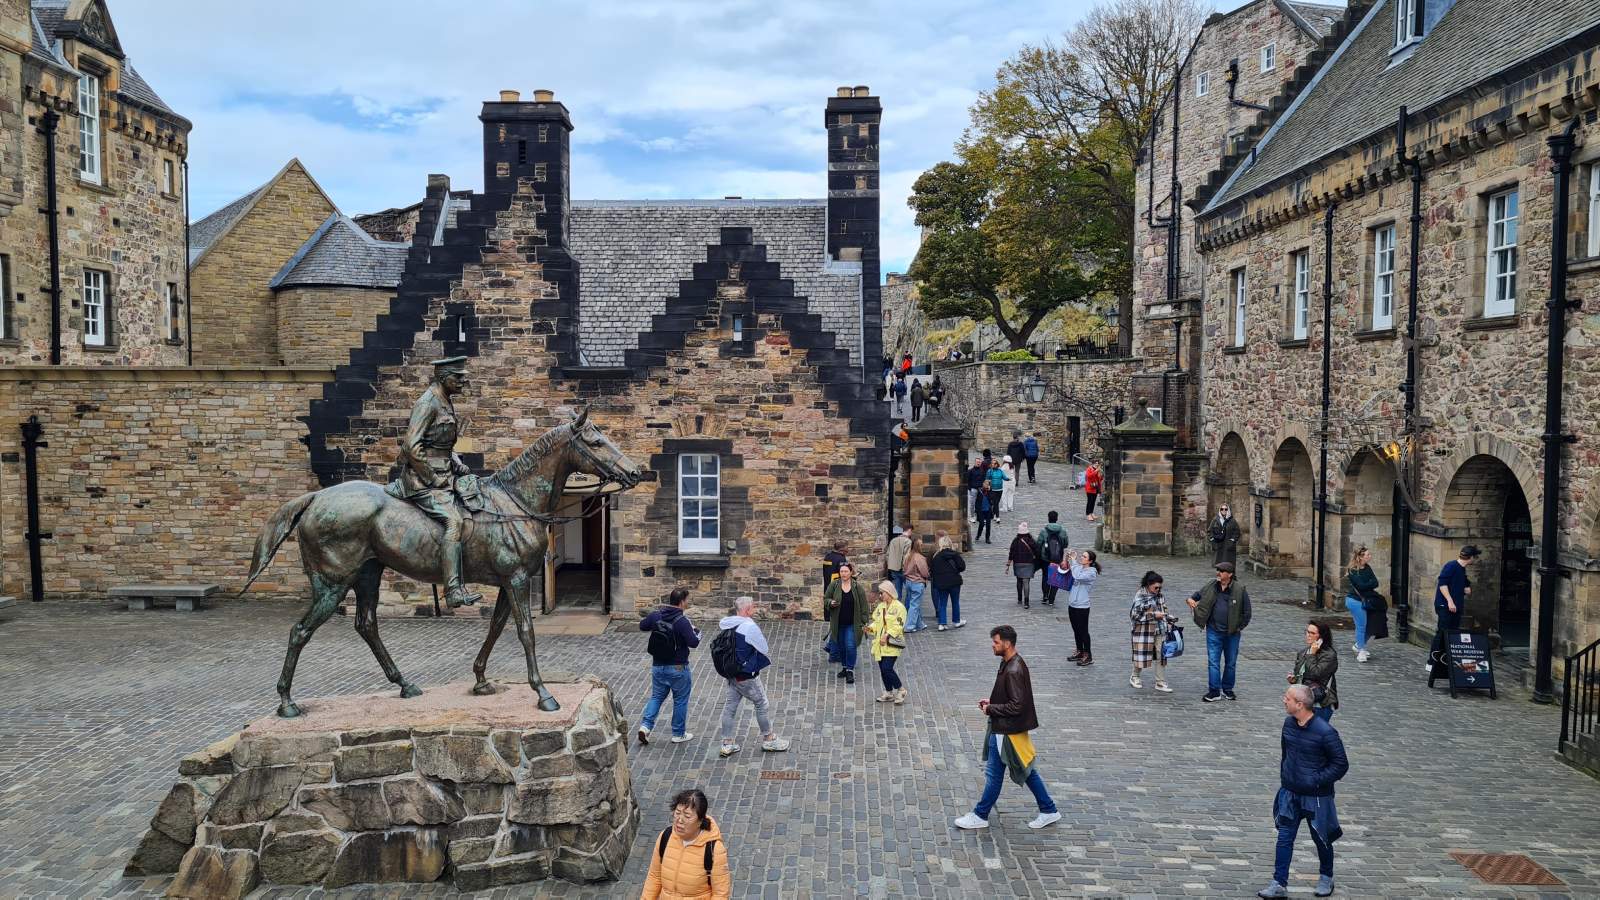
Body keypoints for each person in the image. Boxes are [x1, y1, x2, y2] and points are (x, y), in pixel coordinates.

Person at [954, 626, 1062, 831]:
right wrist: (992, 701)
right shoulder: (1010, 663)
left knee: (996, 775)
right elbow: (1013, 699)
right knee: (1026, 769)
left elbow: (1016, 705)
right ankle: (1048, 809)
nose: (993, 646)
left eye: (996, 642)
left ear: (1007, 643)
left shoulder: (1013, 669)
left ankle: (980, 814)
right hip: (1006, 729)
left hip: (1006, 730)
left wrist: (991, 708)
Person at [396, 356, 483, 609]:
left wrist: (455, 461)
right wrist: (432, 478)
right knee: (454, 522)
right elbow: (412, 445)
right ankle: (453, 590)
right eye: (459, 377)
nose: (464, 382)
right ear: (445, 378)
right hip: (423, 481)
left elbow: (439, 443)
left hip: (445, 474)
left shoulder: (445, 400)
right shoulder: (428, 403)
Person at [1257, 685, 1347, 898]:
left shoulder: (1325, 732)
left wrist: (1315, 780)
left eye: (1287, 698)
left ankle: (1326, 876)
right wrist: (1286, 778)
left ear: (1300, 704)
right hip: (1290, 793)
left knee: (1321, 838)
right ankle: (1279, 883)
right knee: (1284, 838)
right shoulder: (1288, 724)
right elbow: (1285, 754)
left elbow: (1340, 764)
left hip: (1316, 797)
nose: (1283, 700)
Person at [716, 597, 790, 757]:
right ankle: (769, 739)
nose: (755, 609)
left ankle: (727, 743)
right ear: (748, 609)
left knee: (730, 707)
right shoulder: (749, 626)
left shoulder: (728, 623)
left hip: (732, 674)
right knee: (761, 703)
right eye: (753, 607)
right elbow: (763, 648)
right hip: (746, 675)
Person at [637, 587, 702, 746]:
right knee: (680, 700)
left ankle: (645, 727)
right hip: (678, 667)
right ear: (681, 602)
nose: (687, 603)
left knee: (656, 697)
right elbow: (693, 643)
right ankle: (678, 734)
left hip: (658, 666)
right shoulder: (682, 622)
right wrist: (698, 632)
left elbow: (642, 626)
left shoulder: (656, 615)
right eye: (687, 600)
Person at [642, 788, 731, 900]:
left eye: (687, 816)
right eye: (677, 813)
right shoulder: (665, 837)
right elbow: (654, 876)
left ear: (700, 821)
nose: (679, 820)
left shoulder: (714, 849)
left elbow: (720, 894)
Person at [1187, 561, 1253, 702]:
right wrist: (1191, 600)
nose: (1218, 573)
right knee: (1213, 662)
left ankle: (1228, 689)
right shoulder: (1211, 585)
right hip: (1214, 631)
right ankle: (1214, 691)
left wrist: (1239, 627)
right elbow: (1196, 595)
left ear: (1229, 574)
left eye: (1221, 571)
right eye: (1218, 570)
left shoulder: (1240, 589)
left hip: (1232, 633)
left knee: (1230, 662)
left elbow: (1247, 612)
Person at [1430, 545, 1479, 672]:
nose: (1475, 559)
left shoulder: (1462, 570)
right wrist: (1450, 602)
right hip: (1445, 606)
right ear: (1471, 557)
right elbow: (1442, 584)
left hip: (1456, 608)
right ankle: (1432, 662)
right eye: (1474, 557)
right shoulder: (1451, 566)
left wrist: (1465, 588)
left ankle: (1446, 661)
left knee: (1452, 633)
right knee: (1442, 633)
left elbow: (1464, 588)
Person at [824, 563, 870, 685]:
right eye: (842, 571)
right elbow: (826, 599)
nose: (843, 573)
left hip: (852, 623)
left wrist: (864, 621)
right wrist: (830, 602)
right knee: (842, 646)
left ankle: (850, 669)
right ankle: (844, 667)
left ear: (850, 573)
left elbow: (864, 605)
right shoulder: (834, 585)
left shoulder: (857, 587)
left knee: (850, 645)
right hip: (838, 623)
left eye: (846, 571)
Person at [1130, 571, 1176, 693]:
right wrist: (1154, 615)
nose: (1158, 589)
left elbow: (1163, 610)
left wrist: (1168, 618)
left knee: (1162, 655)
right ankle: (1135, 676)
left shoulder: (1160, 596)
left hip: (1160, 630)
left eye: (1160, 587)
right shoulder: (1140, 595)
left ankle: (1160, 682)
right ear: (1148, 585)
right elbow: (1134, 616)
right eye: (1156, 587)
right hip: (1143, 630)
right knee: (1142, 654)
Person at [864, 580, 908, 704]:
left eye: (882, 593)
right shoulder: (881, 607)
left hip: (892, 644)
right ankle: (888, 692)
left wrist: (887, 635)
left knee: (887, 668)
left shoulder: (899, 607)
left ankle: (901, 689)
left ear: (888, 593)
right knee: (883, 669)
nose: (880, 595)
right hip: (880, 644)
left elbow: (899, 625)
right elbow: (877, 622)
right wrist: (870, 628)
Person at [1289, 619, 1339, 721]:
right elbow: (1300, 673)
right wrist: (1294, 679)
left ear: (1321, 637)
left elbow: (1315, 674)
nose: (1308, 635)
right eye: (1307, 632)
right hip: (1302, 702)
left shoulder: (1329, 655)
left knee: (1314, 735)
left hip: (1319, 703)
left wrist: (1312, 654)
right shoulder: (1303, 652)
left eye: (1312, 633)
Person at [1342, 547, 1379, 662]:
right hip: (1355, 601)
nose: (1369, 556)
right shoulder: (1353, 570)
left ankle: (1358, 645)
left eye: (1369, 554)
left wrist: (1367, 584)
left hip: (1366, 600)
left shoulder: (1367, 568)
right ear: (1360, 557)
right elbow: (1361, 586)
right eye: (1367, 555)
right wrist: (1369, 583)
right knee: (1362, 626)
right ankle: (1361, 651)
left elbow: (1376, 582)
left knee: (1372, 625)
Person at [1066, 550, 1101, 667]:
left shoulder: (1091, 572)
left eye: (1084, 557)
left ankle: (1088, 655)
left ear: (1090, 561)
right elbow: (1071, 573)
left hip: (1082, 606)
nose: (1082, 557)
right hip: (1073, 604)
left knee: (1083, 631)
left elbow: (1077, 576)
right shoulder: (1079, 567)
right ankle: (1080, 651)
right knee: (1076, 629)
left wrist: (1074, 561)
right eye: (1082, 556)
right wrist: (1069, 560)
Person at [929, 534, 967, 632]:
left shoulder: (936, 557)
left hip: (942, 583)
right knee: (955, 602)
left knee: (942, 603)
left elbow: (932, 570)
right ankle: (956, 621)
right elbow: (962, 567)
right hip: (954, 582)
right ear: (950, 543)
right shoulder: (955, 554)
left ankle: (942, 623)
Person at [821, 540, 850, 664]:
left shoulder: (828, 557)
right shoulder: (841, 559)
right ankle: (833, 654)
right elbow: (844, 575)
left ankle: (830, 646)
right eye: (847, 549)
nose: (848, 550)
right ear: (842, 549)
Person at [1036, 512, 1070, 606]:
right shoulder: (1062, 531)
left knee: (1046, 576)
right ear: (1057, 518)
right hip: (1057, 558)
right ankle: (1051, 599)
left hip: (1046, 558)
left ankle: (1045, 596)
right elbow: (1066, 544)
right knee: (1055, 577)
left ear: (1048, 518)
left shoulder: (1044, 531)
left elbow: (1039, 543)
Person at [1006, 523, 1039, 609]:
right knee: (1026, 582)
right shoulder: (1031, 540)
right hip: (1029, 563)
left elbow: (1011, 553)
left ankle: (1020, 598)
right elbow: (1037, 551)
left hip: (1018, 563)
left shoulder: (1015, 541)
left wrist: (1009, 563)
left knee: (1019, 580)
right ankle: (1026, 602)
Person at [902, 537, 930, 633]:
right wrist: (927, 577)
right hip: (917, 582)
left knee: (914, 603)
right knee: (914, 604)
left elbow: (904, 569)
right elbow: (924, 572)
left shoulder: (908, 556)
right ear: (918, 546)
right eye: (921, 545)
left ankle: (919, 624)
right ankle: (909, 626)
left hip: (909, 581)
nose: (923, 546)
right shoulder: (919, 557)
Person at [885, 526, 912, 603]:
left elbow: (888, 555)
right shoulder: (908, 542)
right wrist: (905, 568)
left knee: (897, 591)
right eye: (911, 531)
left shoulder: (893, 541)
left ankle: (897, 609)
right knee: (909, 591)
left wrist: (890, 565)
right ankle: (907, 610)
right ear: (909, 531)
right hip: (904, 570)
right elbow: (906, 557)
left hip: (894, 569)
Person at [966, 458, 988, 523]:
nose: (978, 463)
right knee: (972, 503)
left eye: (979, 462)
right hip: (973, 489)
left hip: (980, 489)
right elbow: (967, 480)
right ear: (975, 462)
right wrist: (970, 488)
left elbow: (984, 480)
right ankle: (972, 516)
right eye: (977, 462)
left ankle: (980, 517)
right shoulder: (970, 471)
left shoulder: (982, 471)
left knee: (980, 504)